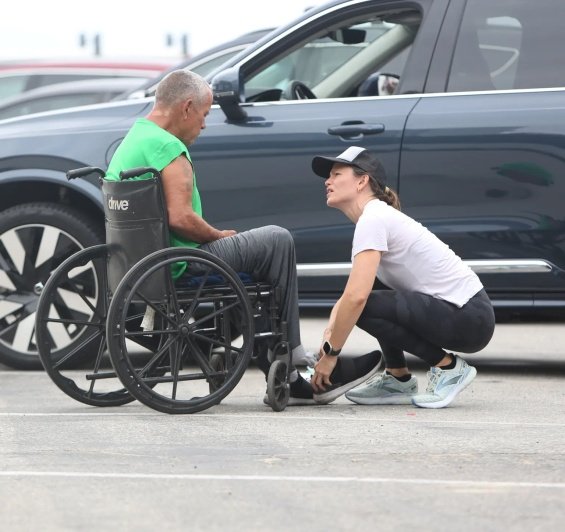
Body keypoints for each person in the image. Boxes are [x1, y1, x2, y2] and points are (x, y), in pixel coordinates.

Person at [105, 69, 315, 405]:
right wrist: (218, 234)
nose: (204, 125)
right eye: (204, 115)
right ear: (187, 108)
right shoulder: (167, 147)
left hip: (140, 262)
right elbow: (182, 218)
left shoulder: (136, 137)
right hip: (179, 263)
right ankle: (292, 359)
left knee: (250, 265)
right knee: (277, 240)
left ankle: (227, 346)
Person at [309, 146, 495, 408]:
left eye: (337, 174)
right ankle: (398, 378)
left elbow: (356, 299)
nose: (328, 181)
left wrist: (331, 354)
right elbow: (350, 293)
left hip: (469, 316)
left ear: (362, 181)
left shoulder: (373, 219)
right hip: (466, 314)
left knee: (362, 306)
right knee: (368, 293)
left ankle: (449, 368)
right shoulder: (376, 217)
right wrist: (328, 337)